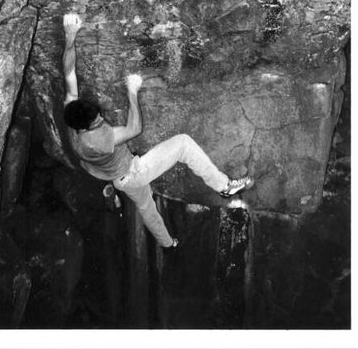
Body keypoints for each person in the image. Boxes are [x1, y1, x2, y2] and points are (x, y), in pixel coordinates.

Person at [62, 13, 254, 249]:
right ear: (88, 127)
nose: (101, 116)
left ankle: (168, 243)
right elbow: (135, 129)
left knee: (147, 209)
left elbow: (68, 73)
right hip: (134, 173)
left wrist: (69, 38)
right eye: (96, 119)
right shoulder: (100, 139)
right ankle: (224, 186)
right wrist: (132, 91)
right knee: (183, 144)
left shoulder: (72, 119)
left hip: (118, 180)